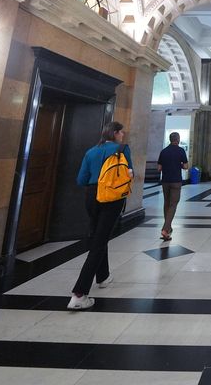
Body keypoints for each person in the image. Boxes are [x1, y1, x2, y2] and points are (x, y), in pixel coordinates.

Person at [67, 120, 133, 311]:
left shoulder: (91, 151)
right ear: (116, 133)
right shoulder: (121, 149)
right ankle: (79, 293)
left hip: (92, 196)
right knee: (99, 241)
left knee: (99, 235)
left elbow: (81, 179)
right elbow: (129, 173)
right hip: (112, 197)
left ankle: (103, 276)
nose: (123, 136)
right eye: (121, 133)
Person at [157, 131, 189, 241]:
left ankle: (168, 228)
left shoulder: (164, 151)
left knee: (167, 203)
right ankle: (165, 229)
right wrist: (178, 164)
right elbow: (185, 166)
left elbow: (159, 168)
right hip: (176, 181)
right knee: (173, 204)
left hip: (165, 180)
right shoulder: (180, 151)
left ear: (170, 139)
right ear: (178, 139)